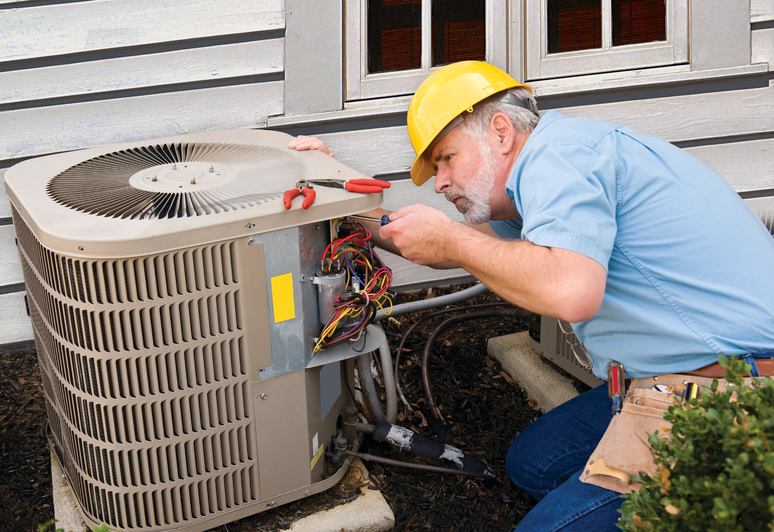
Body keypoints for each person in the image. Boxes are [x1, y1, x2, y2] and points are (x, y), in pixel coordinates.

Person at [289, 60, 774, 530]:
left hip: (733, 388)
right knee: (533, 464)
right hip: (673, 371)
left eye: (446, 158)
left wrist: (454, 239)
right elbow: (448, 245)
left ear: (501, 131)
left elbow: (569, 292)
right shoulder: (531, 182)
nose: (439, 183)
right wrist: (337, 195)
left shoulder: (558, 159)